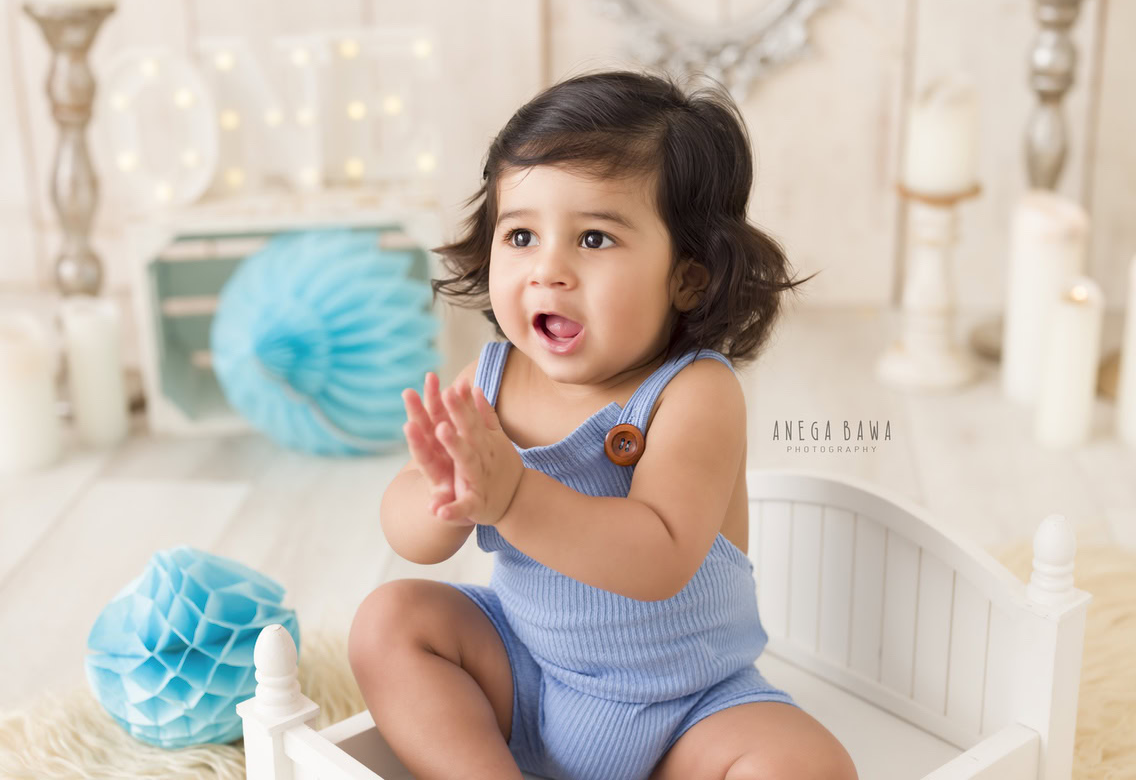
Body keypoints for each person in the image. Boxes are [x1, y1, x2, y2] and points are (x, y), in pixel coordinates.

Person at [348, 69, 857, 780]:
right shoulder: (491, 383)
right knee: (390, 621)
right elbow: (411, 538)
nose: (547, 270)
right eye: (520, 234)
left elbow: (659, 558)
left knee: (804, 766)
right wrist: (445, 491)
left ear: (688, 277)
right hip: (528, 673)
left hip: (688, 706)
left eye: (593, 240)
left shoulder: (693, 393)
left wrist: (515, 498)